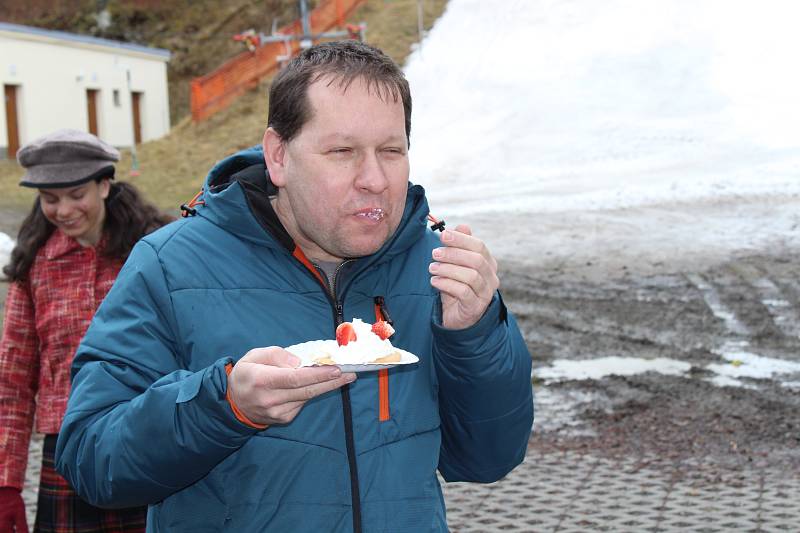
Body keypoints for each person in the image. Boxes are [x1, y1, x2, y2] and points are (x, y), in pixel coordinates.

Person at [55, 41, 534, 532]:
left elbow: (487, 458)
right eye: (342, 152)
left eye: (391, 151)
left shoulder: (437, 266)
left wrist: (475, 334)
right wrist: (223, 406)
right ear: (278, 156)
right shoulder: (170, 266)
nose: (374, 179)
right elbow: (93, 462)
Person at [0, 129, 173, 533]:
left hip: (150, 441)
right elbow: (13, 379)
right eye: (50, 199)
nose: (63, 210)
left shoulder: (158, 254)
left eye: (76, 194)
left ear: (105, 184)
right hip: (67, 454)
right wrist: (7, 481)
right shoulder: (35, 268)